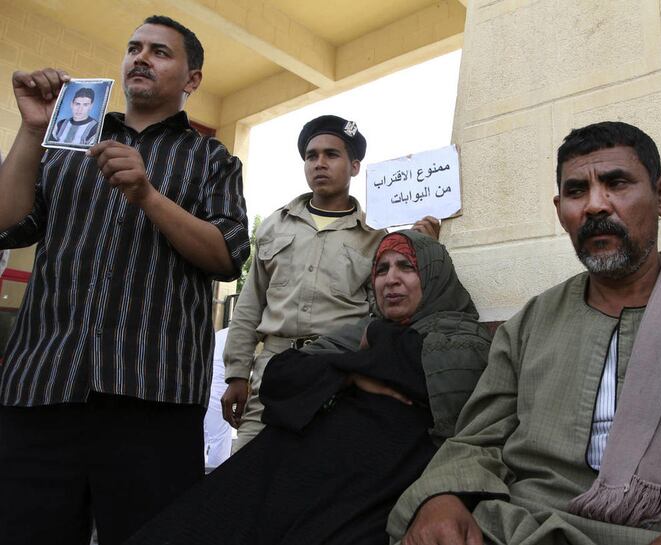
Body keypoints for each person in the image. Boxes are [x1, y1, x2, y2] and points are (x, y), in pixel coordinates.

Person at [389, 121, 661, 545]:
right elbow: (477, 440)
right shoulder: (531, 323)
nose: (595, 206)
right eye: (577, 191)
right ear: (560, 210)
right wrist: (441, 497)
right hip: (521, 527)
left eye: (616, 183)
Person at [0, 15, 249, 545]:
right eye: (135, 47)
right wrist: (31, 129)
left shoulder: (211, 160)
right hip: (43, 385)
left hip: (151, 394)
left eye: (160, 52)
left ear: (192, 80)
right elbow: (7, 223)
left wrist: (148, 197)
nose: (141, 56)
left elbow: (227, 255)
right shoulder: (69, 139)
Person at [126, 230, 492, 545]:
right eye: (381, 269)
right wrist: (351, 375)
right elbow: (280, 375)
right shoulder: (358, 332)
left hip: (366, 488)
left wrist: (364, 348)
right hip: (290, 467)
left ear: (434, 275)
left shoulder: (463, 337)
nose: (390, 280)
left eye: (406, 267)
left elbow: (413, 368)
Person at [221, 114, 440, 451]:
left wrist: (425, 248)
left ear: (354, 166)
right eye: (312, 156)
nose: (319, 163)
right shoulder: (275, 226)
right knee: (242, 473)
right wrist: (237, 373)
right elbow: (251, 305)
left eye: (331, 155)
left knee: (318, 476)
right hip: (274, 371)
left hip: (339, 371)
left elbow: (385, 315)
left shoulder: (376, 236)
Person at [204, 327, 234, 470]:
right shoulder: (238, 335)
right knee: (220, 437)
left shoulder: (221, 334)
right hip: (219, 387)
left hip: (206, 384)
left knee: (204, 433)